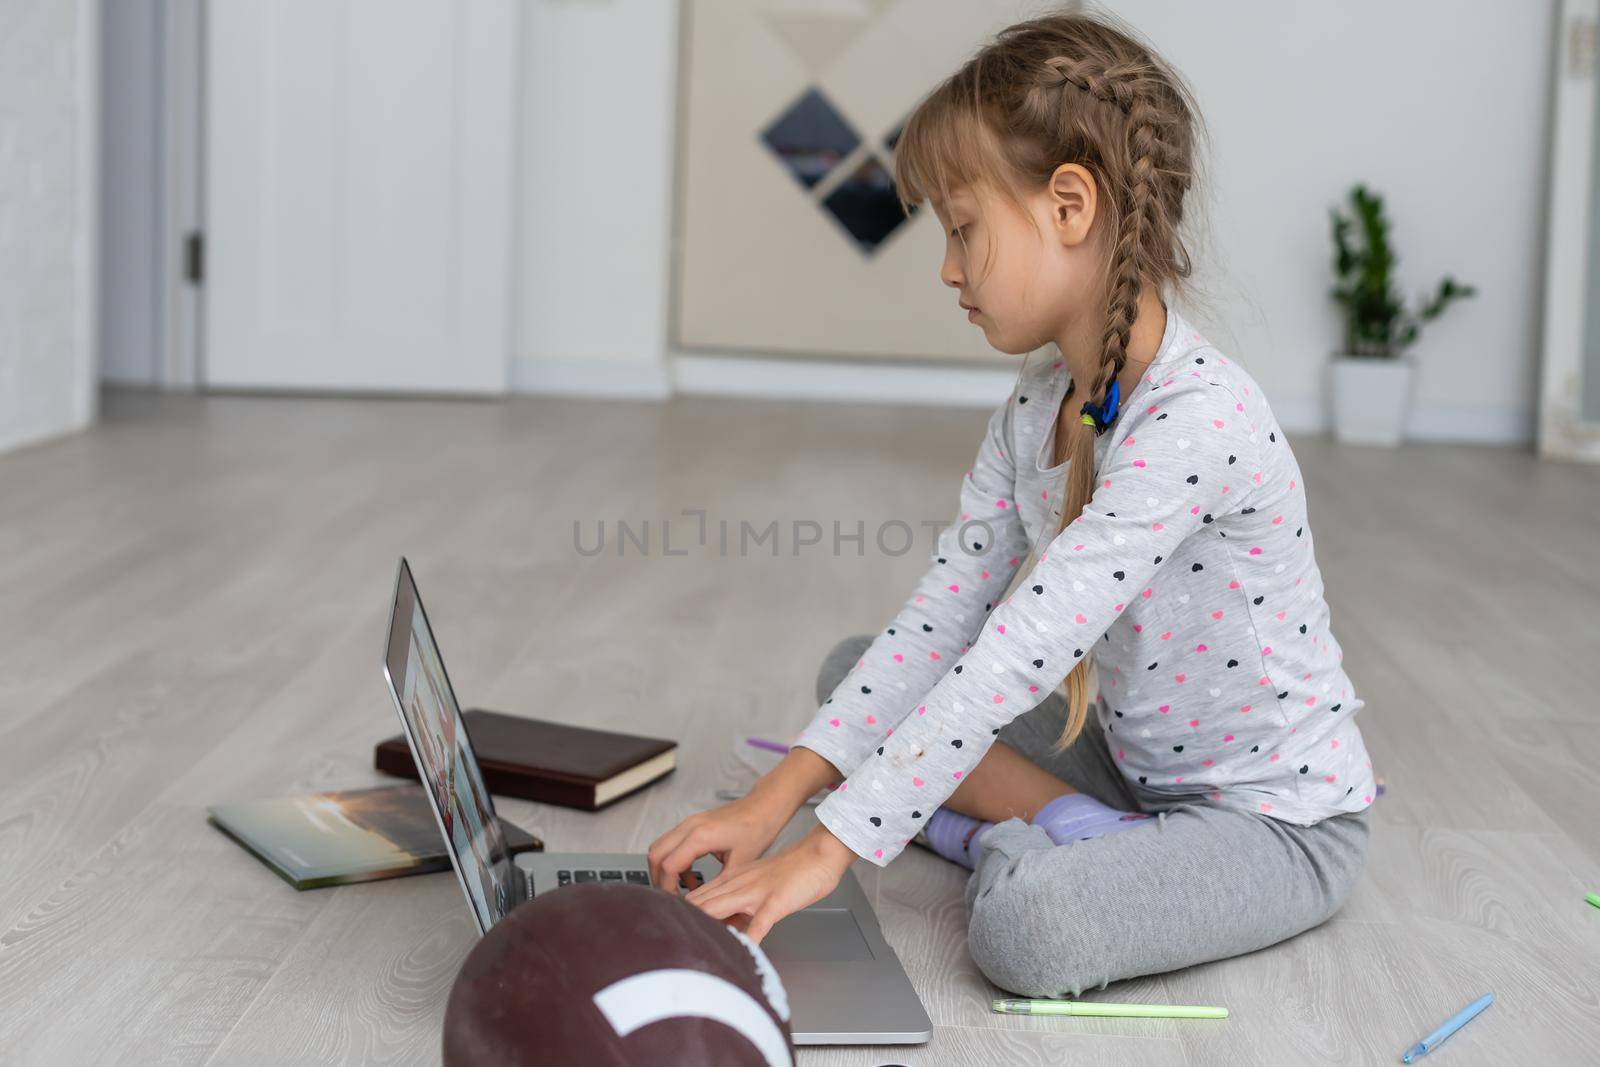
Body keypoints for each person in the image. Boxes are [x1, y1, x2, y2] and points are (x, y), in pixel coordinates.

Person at [647, 5, 1374, 999]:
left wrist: (828, 845)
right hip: (1130, 764)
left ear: (1069, 206)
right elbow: (945, 615)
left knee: (1027, 926)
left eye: (962, 229)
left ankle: (1036, 841)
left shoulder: (1197, 420)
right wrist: (770, 804)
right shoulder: (1038, 401)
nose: (948, 268)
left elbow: (1010, 653)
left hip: (1271, 822)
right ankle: (1081, 832)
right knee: (855, 670)